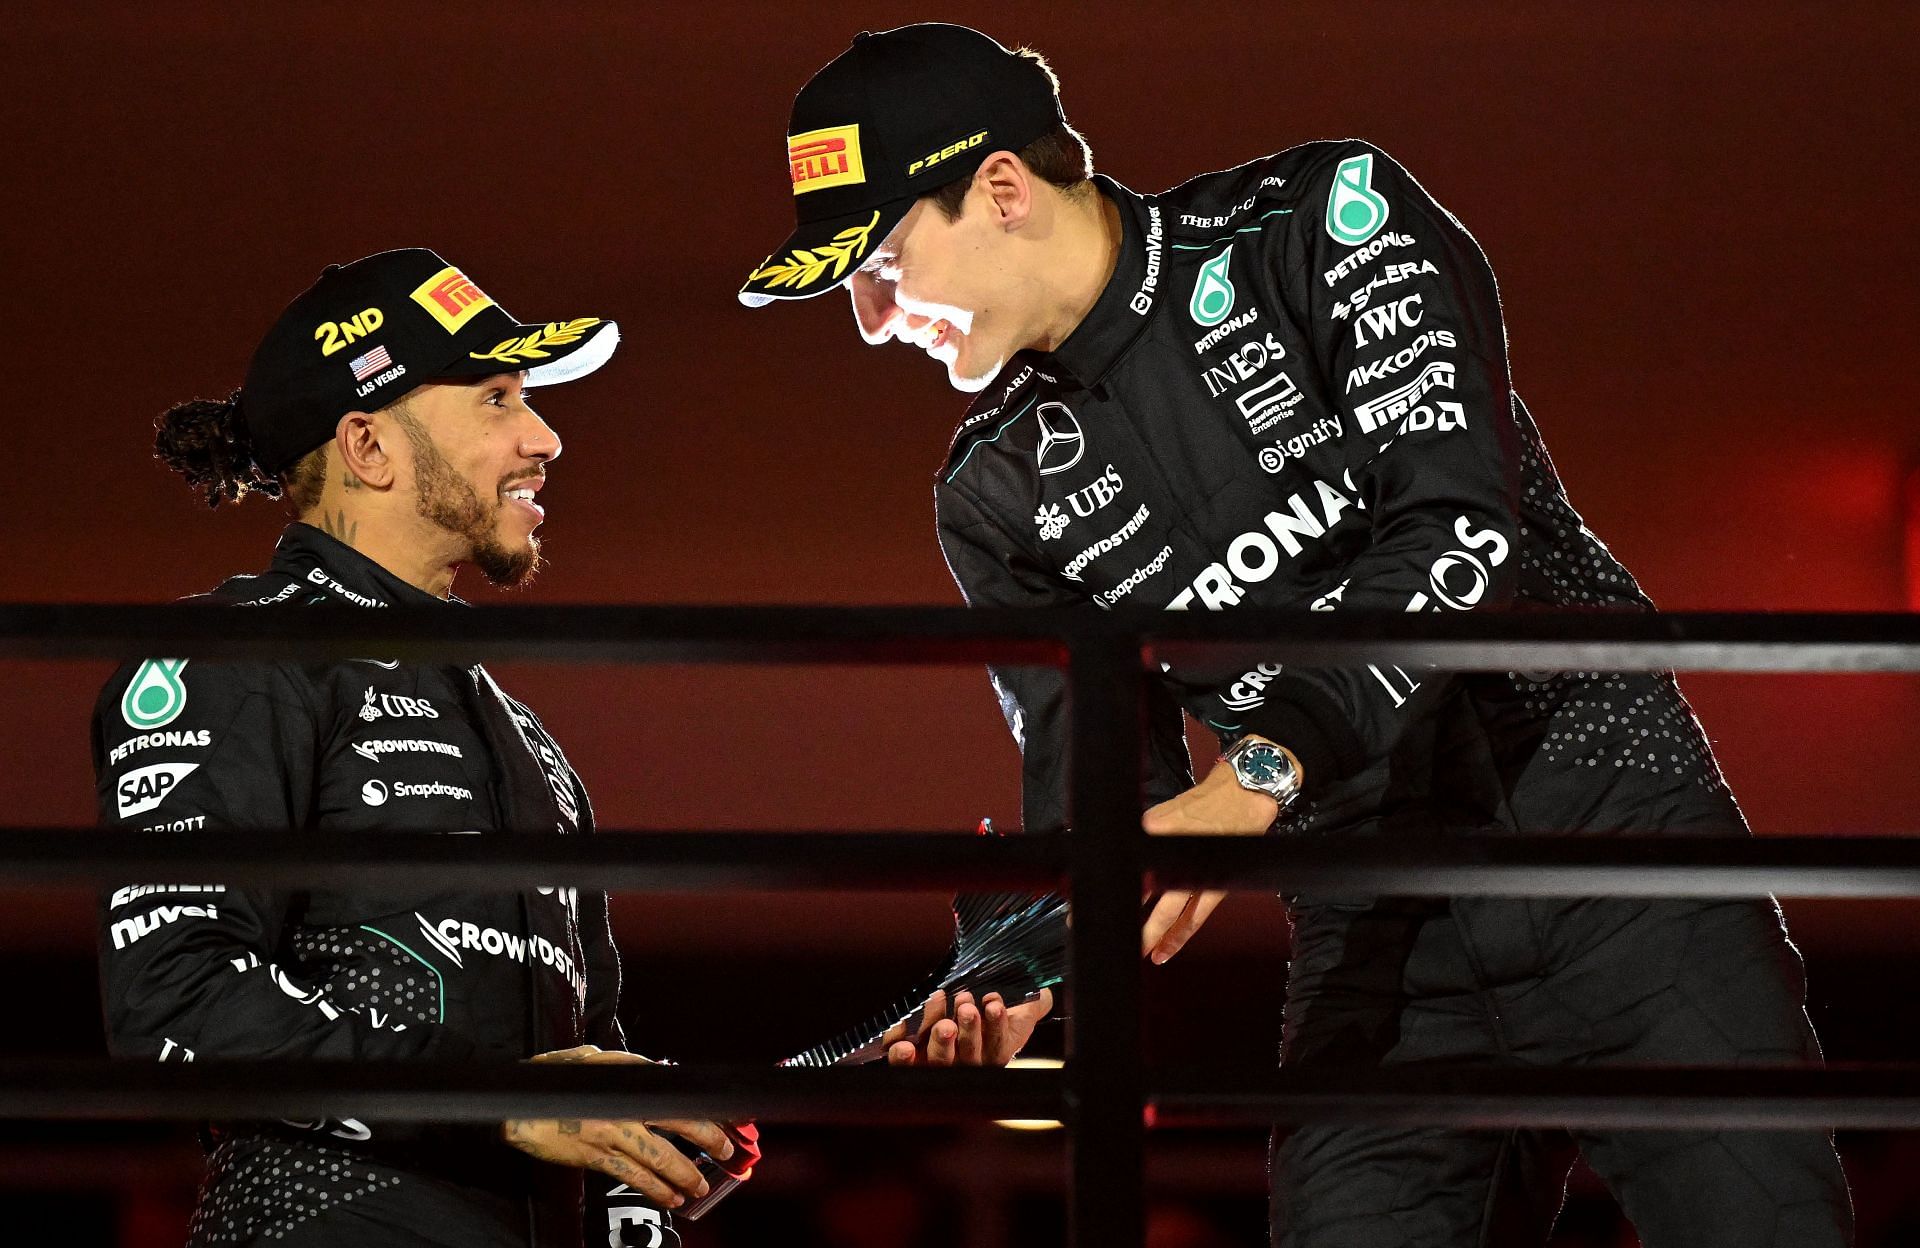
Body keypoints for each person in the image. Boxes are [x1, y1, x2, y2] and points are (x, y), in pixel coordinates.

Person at [738, 23, 1853, 1248]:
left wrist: (1261, 771)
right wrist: (1019, 971)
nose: (871, 319)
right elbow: (1109, 807)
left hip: (1613, 845)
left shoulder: (1324, 219)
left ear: (1002, 189)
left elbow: (1458, 531)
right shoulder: (993, 491)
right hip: (1369, 938)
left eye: (886, 261)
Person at [95, 248, 743, 1248]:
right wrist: (489, 1099)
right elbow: (175, 1002)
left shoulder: (532, 743)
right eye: (496, 399)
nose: (546, 437)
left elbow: (579, 1079)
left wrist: (662, 1156)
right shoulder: (239, 654)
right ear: (368, 445)